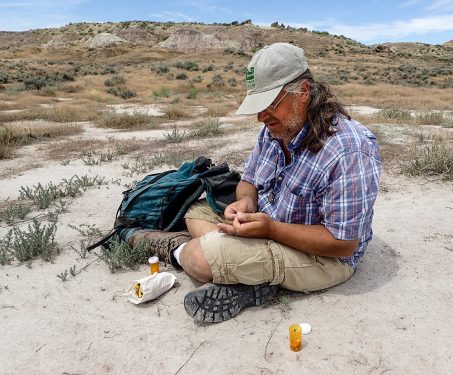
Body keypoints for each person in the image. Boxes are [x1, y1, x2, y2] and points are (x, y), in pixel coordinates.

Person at [129, 43, 382, 323]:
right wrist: (245, 203)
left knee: (198, 259)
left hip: (326, 258)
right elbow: (249, 181)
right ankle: (247, 275)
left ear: (304, 92)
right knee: (195, 211)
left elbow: (343, 244)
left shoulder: (348, 151)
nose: (261, 116)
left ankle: (177, 249)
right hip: (272, 224)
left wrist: (271, 230)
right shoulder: (275, 128)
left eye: (270, 104)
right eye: (258, 106)